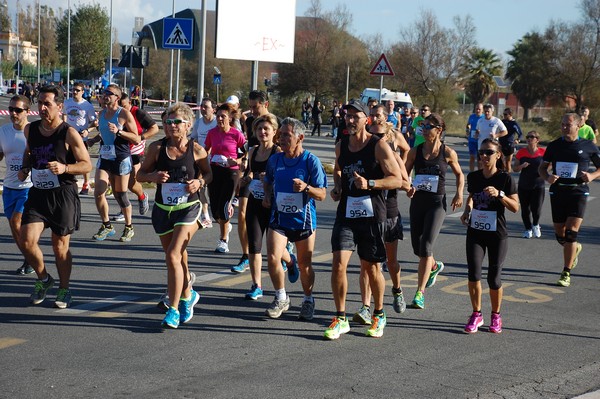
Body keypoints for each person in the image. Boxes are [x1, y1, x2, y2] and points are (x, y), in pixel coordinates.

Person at [324, 100, 403, 340]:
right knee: (338, 263)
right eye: (347, 116)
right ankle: (341, 317)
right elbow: (338, 169)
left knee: (370, 267)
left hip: (371, 214)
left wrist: (371, 183)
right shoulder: (341, 146)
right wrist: (337, 187)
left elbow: (397, 179)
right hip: (347, 213)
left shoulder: (379, 146)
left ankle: (379, 313)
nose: (349, 120)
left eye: (355, 116)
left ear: (366, 120)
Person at [137, 102, 212, 328]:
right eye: (168, 122)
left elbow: (209, 175)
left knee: (172, 255)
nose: (172, 126)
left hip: (189, 208)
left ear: (188, 125)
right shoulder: (157, 149)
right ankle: (188, 295)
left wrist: (199, 182)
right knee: (178, 257)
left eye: (177, 122)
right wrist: (153, 177)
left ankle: (174, 308)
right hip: (163, 210)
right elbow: (140, 175)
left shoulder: (196, 150)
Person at [18, 85, 92, 308]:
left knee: (60, 247)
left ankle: (64, 288)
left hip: (62, 195)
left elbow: (86, 164)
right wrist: (25, 168)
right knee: (26, 241)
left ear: (60, 107)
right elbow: (29, 152)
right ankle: (44, 279)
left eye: (47, 104)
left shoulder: (68, 133)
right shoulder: (30, 129)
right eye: (40, 103)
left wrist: (65, 168)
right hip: (39, 193)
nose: (42, 107)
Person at [262, 117, 327, 320]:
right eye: (280, 134)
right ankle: (281, 297)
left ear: (299, 137)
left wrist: (306, 188)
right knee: (272, 256)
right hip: (279, 218)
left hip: (303, 221)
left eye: (286, 135)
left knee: (305, 265)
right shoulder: (275, 160)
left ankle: (308, 299)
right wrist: (266, 195)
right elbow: (268, 180)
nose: (281, 139)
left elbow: (322, 193)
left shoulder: (310, 161)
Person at [352, 117, 412, 324]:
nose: (374, 139)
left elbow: (405, 183)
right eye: (372, 134)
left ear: (387, 137)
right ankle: (366, 307)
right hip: (370, 214)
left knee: (391, 261)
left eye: (379, 136)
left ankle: (397, 290)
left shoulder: (392, 155)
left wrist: (382, 183)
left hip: (390, 213)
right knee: (366, 264)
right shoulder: (363, 155)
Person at [404, 113, 464, 310]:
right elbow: (404, 174)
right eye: (423, 125)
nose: (424, 129)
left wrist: (459, 194)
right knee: (417, 248)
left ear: (439, 130)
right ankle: (434, 266)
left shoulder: (448, 153)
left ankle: (419, 293)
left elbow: (460, 175)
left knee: (426, 246)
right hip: (418, 202)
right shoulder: (415, 151)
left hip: (437, 204)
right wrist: (407, 187)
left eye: (429, 126)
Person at [460, 138, 519, 334]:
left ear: (498, 155)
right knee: (473, 274)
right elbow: (472, 197)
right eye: (481, 152)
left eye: (489, 152)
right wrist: (467, 211)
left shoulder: (505, 179)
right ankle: (476, 314)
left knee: (494, 278)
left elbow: (515, 207)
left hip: (497, 234)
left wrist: (500, 195)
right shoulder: (474, 177)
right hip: (476, 232)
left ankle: (496, 315)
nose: (484, 156)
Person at [538, 112, 600, 287]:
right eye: (563, 124)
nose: (565, 127)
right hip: (558, 191)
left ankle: (566, 272)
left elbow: (599, 168)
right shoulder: (554, 146)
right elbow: (542, 168)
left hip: (578, 191)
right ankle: (574, 248)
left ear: (578, 126)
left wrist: (592, 175)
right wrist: (547, 177)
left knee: (572, 231)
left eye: (568, 124)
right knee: (560, 232)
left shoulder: (588, 146)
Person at [240, 114, 296, 300]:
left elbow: (286, 176)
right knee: (254, 245)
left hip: (273, 204)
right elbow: (250, 173)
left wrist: (271, 181)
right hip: (255, 202)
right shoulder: (253, 151)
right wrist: (247, 178)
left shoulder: (278, 153)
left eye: (266, 129)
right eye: (259, 129)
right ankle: (257, 285)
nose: (262, 132)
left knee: (277, 251)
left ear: (274, 132)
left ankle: (290, 261)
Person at [89, 84, 140, 242]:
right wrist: (93, 139)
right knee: (98, 192)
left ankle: (129, 227)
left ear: (117, 97)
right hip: (105, 157)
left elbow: (136, 138)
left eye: (109, 94)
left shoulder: (123, 114)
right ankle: (107, 225)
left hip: (121, 157)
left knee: (120, 194)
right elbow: (104, 132)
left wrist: (119, 131)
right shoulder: (102, 113)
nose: (105, 96)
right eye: (104, 93)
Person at [231, 90, 274, 273]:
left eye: (255, 107)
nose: (253, 111)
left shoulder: (273, 123)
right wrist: (245, 165)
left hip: (270, 179)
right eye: (250, 107)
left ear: (266, 105)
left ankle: (286, 249)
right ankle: (246, 255)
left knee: (273, 220)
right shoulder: (249, 122)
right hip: (252, 174)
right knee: (242, 213)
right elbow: (249, 148)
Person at [204, 102, 246, 253]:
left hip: (231, 172)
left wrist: (238, 161)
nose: (220, 119)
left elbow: (246, 152)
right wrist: (203, 163)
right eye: (218, 116)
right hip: (215, 171)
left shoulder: (236, 134)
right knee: (215, 210)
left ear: (230, 118)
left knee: (223, 207)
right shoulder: (212, 133)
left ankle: (223, 240)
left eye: (223, 116)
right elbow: (205, 150)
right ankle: (226, 224)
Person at [109, 92, 158, 222]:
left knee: (131, 182)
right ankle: (123, 209)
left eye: (124, 106)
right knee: (116, 183)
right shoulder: (115, 113)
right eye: (119, 106)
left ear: (129, 103)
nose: (122, 109)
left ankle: (142, 196)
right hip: (118, 150)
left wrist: (140, 137)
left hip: (135, 151)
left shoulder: (138, 113)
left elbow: (155, 128)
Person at [0, 95, 34, 274]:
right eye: (11, 109)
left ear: (27, 112)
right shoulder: (3, 131)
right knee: (14, 228)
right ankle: (29, 257)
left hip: (28, 187)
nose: (13, 113)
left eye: (18, 110)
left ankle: (30, 258)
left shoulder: (33, 132)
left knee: (16, 220)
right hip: (9, 187)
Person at [62, 82, 98, 195]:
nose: (75, 92)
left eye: (77, 90)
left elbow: (95, 122)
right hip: (68, 136)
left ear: (83, 92)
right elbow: (64, 115)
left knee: (83, 161)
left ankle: (86, 184)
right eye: (73, 90)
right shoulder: (67, 102)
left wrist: (87, 130)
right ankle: (68, 182)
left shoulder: (87, 106)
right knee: (67, 159)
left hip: (82, 138)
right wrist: (63, 128)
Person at [190, 97, 218, 227]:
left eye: (205, 107)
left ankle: (218, 214)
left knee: (213, 191)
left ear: (213, 109)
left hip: (216, 161)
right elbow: (194, 139)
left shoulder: (218, 122)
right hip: (201, 160)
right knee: (200, 186)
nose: (202, 109)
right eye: (201, 106)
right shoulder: (199, 123)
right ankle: (206, 216)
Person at [514, 131, 546, 239]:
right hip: (524, 184)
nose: (529, 139)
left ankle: (536, 224)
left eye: (532, 137)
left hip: (538, 184)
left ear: (537, 139)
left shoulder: (543, 152)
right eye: (528, 137)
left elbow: (550, 165)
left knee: (536, 209)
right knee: (525, 209)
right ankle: (528, 229)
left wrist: (543, 171)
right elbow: (514, 168)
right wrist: (522, 166)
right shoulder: (521, 152)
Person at [500, 108, 523, 173]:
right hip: (501, 144)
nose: (504, 115)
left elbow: (520, 134)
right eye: (503, 114)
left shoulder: (514, 124)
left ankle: (508, 178)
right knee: (500, 161)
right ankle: (502, 175)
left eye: (505, 114)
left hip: (510, 145)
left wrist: (518, 140)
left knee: (508, 163)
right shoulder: (502, 122)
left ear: (510, 114)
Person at [466, 103, 483, 172]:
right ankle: (471, 173)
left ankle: (480, 174)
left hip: (480, 141)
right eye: (476, 109)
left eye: (479, 109)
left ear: (482, 110)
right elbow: (468, 125)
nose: (478, 110)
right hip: (472, 140)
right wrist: (467, 129)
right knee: (472, 157)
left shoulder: (484, 118)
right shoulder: (472, 116)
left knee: (480, 160)